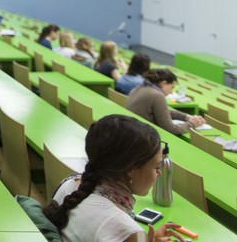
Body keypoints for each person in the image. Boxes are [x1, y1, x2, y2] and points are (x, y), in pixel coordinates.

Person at [44, 114, 187, 242]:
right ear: (131, 169)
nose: (159, 173)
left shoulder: (69, 183)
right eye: (156, 167)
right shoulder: (123, 229)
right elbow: (114, 230)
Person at [125, 69, 205, 135]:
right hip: (139, 135)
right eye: (172, 87)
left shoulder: (140, 88)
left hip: (130, 130)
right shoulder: (157, 95)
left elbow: (162, 111)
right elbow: (170, 129)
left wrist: (186, 117)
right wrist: (192, 124)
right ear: (164, 83)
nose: (171, 92)